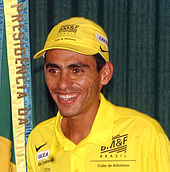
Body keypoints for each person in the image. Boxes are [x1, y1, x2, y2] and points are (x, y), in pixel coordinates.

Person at [26, 17, 170, 172]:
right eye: (54, 70)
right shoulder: (39, 139)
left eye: (77, 70)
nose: (62, 84)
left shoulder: (145, 135)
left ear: (105, 74)